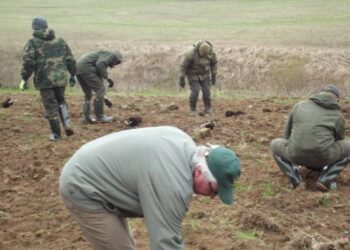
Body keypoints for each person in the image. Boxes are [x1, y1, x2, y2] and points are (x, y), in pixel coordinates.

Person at [59, 126, 240, 249]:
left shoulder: (183, 142)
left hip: (98, 172)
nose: (212, 196)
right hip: (84, 186)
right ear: (200, 172)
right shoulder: (171, 184)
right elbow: (165, 242)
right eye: (213, 189)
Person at [271, 84, 350, 191]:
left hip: (295, 154)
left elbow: (286, 134)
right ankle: (326, 179)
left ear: (317, 94)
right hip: (324, 157)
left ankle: (295, 179)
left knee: (275, 144)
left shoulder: (299, 106)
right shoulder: (337, 115)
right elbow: (338, 140)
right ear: (337, 99)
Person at [20, 16, 77, 141]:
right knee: (61, 102)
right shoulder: (60, 40)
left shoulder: (32, 43)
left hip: (45, 80)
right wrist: (73, 74)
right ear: (46, 26)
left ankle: (56, 134)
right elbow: (70, 59)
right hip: (61, 78)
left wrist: (24, 78)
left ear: (34, 28)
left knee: (50, 106)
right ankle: (67, 125)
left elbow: (29, 63)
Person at [76, 50, 123, 123]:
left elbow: (99, 78)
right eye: (116, 63)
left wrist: (104, 98)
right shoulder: (110, 56)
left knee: (88, 94)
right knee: (100, 89)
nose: (115, 64)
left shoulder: (102, 55)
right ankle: (100, 116)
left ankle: (87, 118)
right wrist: (108, 78)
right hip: (87, 68)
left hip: (79, 69)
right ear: (115, 59)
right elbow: (100, 65)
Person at [179, 40, 218, 116]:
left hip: (205, 74)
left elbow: (214, 64)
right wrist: (182, 77)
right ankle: (192, 109)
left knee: (207, 91)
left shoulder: (211, 53)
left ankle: (208, 108)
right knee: (195, 91)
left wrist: (214, 75)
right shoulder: (190, 54)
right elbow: (183, 66)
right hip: (193, 74)